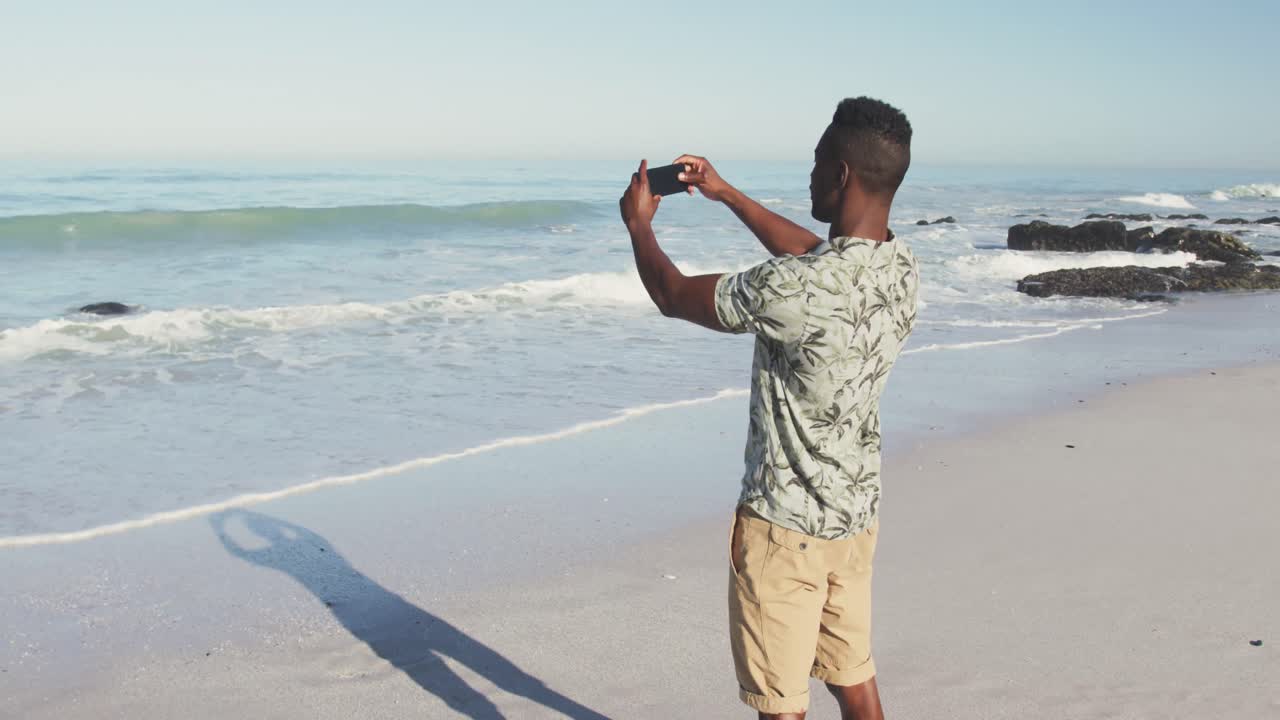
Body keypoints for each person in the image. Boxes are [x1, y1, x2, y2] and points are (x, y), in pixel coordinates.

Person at [618, 97, 918, 720]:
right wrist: (726, 194)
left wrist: (639, 226)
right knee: (855, 679)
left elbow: (673, 295)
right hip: (854, 520)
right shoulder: (899, 266)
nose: (810, 174)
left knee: (781, 706)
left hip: (784, 532)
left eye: (817, 162)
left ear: (841, 174)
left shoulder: (794, 288)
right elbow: (816, 252)